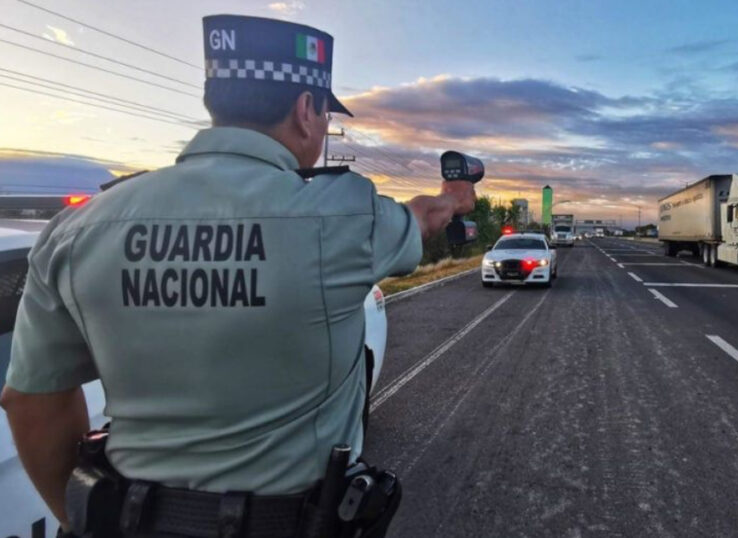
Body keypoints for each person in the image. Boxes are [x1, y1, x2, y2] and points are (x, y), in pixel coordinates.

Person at [0, 14, 474, 536]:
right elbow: (425, 215)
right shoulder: (345, 218)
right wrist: (455, 196)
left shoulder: (77, 229)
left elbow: (30, 401)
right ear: (305, 111)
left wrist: (81, 518)